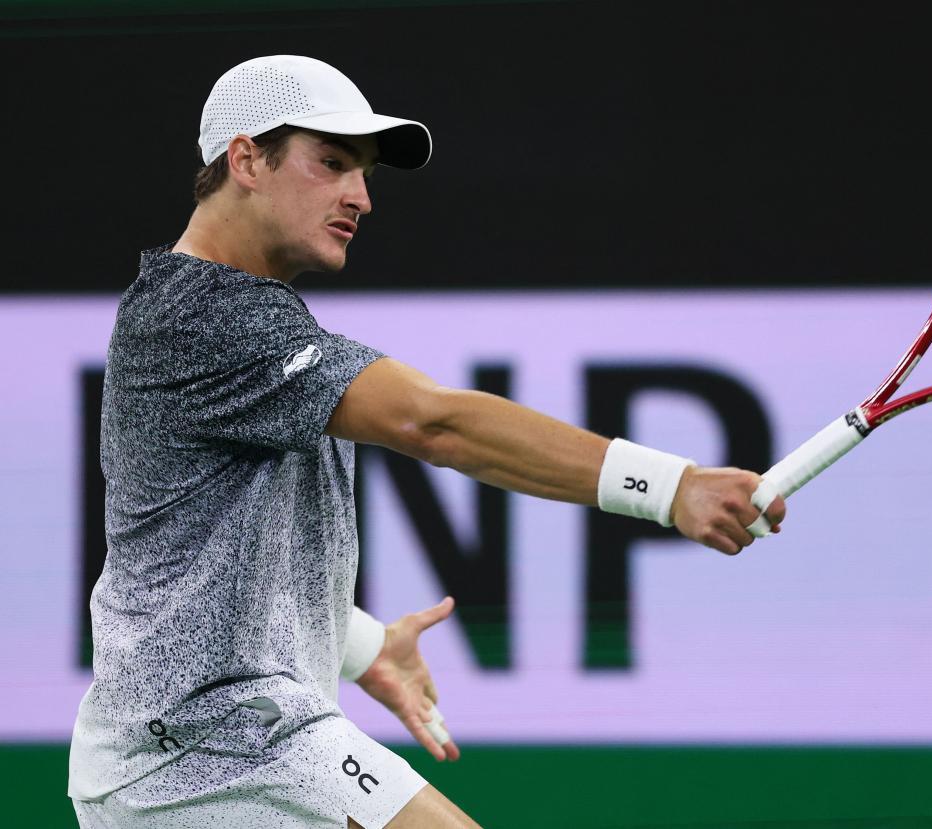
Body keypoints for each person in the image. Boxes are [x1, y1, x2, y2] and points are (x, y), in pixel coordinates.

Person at [67, 55, 786, 829]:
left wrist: (364, 644)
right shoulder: (203, 314)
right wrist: (668, 485)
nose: (361, 196)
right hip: (206, 746)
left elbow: (208, 567)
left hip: (190, 749)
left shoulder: (229, 319)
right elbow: (432, 421)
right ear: (246, 159)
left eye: (365, 172)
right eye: (333, 162)